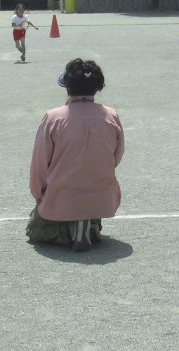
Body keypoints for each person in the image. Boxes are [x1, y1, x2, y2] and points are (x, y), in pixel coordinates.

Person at [27, 58, 124, 252]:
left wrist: (39, 196)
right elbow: (116, 157)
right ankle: (88, 225)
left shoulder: (53, 117)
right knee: (87, 201)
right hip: (102, 197)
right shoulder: (111, 116)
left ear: (67, 87)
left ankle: (70, 229)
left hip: (62, 195)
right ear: (97, 87)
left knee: (35, 231)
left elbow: (39, 165)